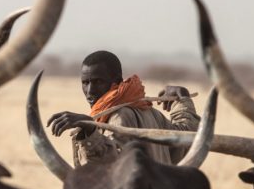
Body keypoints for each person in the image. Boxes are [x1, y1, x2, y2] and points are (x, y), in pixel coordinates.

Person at [47, 50, 200, 166]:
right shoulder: (148, 111)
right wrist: (183, 100)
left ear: (117, 81)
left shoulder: (119, 115)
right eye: (85, 83)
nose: (90, 90)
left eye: (98, 81)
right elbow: (185, 139)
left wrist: (89, 130)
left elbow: (113, 165)